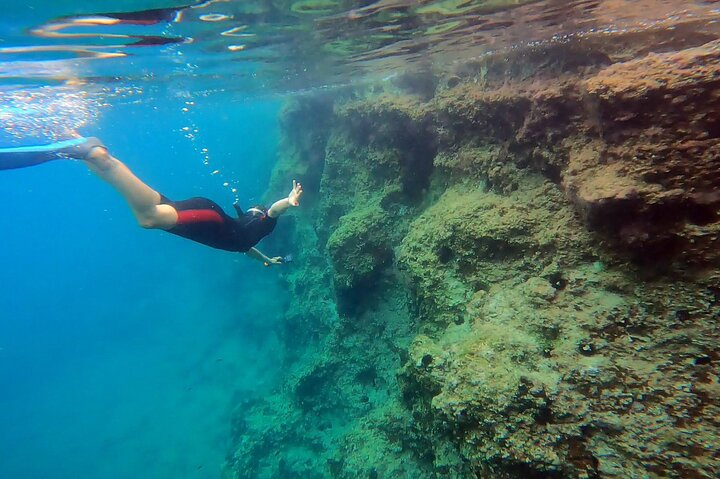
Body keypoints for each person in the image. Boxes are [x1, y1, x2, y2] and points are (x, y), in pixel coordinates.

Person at [0, 136, 302, 265]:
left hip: (206, 212)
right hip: (208, 218)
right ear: (259, 215)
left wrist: (267, 260)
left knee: (152, 209)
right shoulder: (263, 224)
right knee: (148, 219)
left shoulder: (247, 236)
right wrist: (288, 200)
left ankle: (93, 157)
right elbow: (274, 209)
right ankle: (95, 155)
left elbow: (248, 250)